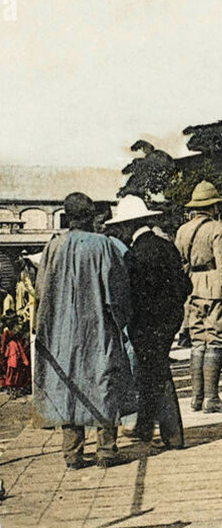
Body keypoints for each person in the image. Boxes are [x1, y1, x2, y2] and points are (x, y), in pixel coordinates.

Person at [33, 193, 135, 468]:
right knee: (103, 383)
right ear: (91, 215)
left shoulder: (53, 246)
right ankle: (106, 450)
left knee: (68, 384)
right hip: (98, 328)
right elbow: (117, 292)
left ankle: (72, 453)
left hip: (61, 331)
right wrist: (122, 321)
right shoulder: (103, 245)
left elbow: (40, 290)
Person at [106, 195, 191, 449]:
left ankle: (173, 435)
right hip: (170, 321)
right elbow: (185, 285)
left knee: (157, 374)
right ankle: (145, 427)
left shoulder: (133, 255)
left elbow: (130, 296)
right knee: (149, 373)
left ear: (129, 226)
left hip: (146, 325)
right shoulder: (166, 246)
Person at [174, 180, 222, 413]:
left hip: (193, 288)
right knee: (216, 340)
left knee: (198, 341)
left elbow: (180, 263)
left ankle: (196, 396)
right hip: (213, 287)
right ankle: (212, 397)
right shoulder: (217, 229)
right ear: (212, 206)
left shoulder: (183, 230)